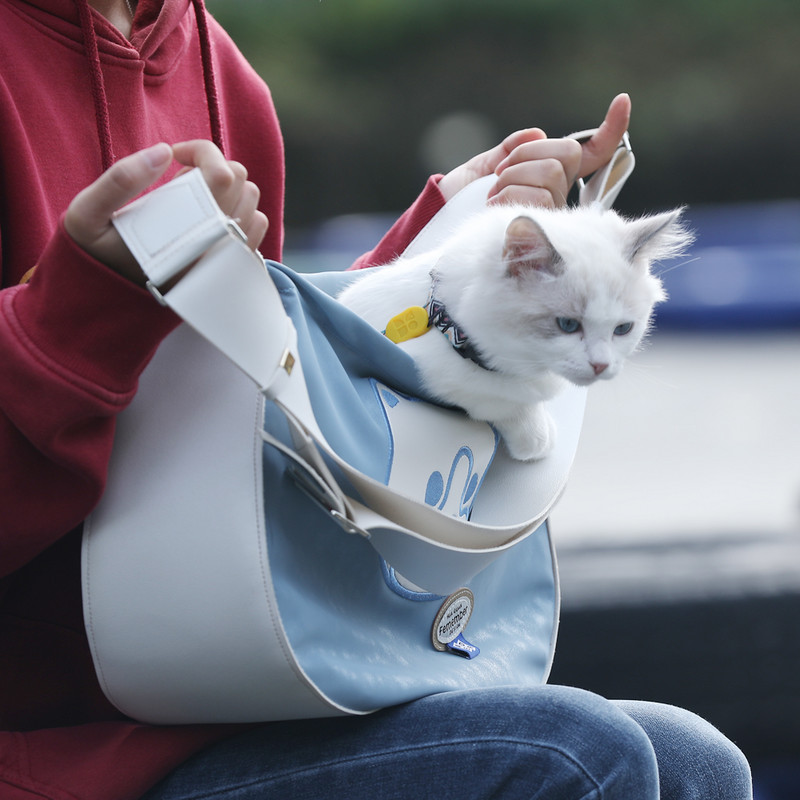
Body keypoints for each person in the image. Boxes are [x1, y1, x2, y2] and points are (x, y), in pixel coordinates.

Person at [0, 1, 752, 798]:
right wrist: (81, 309)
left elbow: (259, 392)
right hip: (59, 748)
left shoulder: (221, 70)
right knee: (575, 754)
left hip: (242, 683)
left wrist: (443, 261)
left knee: (694, 762)